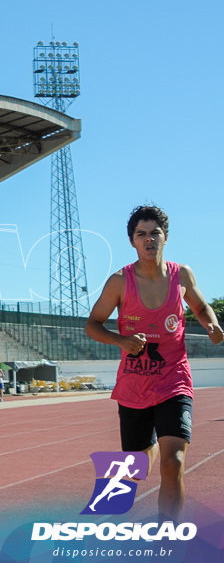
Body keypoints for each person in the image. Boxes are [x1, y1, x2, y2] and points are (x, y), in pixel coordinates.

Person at [85, 205, 223, 522]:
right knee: (136, 466)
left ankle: (168, 537)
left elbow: (201, 307)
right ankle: (149, 448)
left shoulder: (182, 275)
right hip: (134, 386)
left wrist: (211, 324)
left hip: (174, 380)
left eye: (155, 234)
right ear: (132, 241)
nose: (149, 240)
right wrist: (121, 341)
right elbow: (93, 324)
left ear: (166, 238)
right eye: (141, 234)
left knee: (173, 462)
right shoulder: (120, 282)